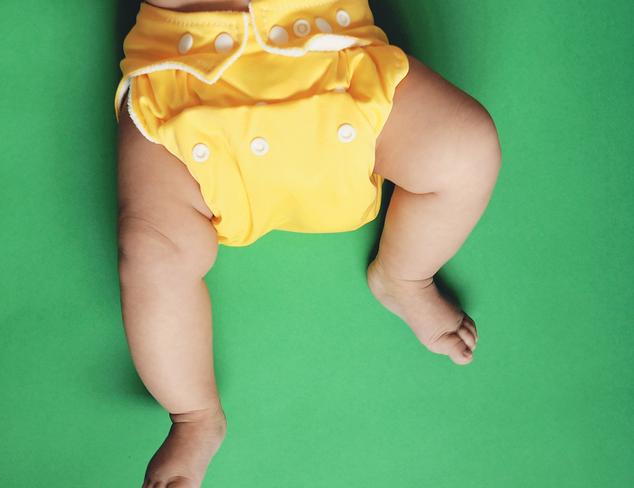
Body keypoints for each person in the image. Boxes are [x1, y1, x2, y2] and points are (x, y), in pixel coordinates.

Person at [115, 0, 502, 486]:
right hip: (186, 94)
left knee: (465, 148)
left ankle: (405, 276)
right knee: (152, 251)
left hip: (338, 69)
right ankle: (194, 414)